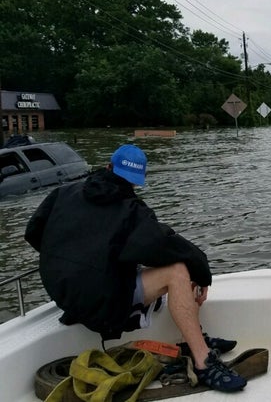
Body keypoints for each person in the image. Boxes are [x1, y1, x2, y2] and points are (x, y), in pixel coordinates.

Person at [24, 144, 247, 393]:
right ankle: (203, 361)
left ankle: (190, 337)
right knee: (179, 271)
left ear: (108, 167)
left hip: (65, 297)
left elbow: (33, 233)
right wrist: (202, 272)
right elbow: (165, 246)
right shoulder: (131, 210)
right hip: (103, 305)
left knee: (169, 266)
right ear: (137, 182)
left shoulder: (62, 193)